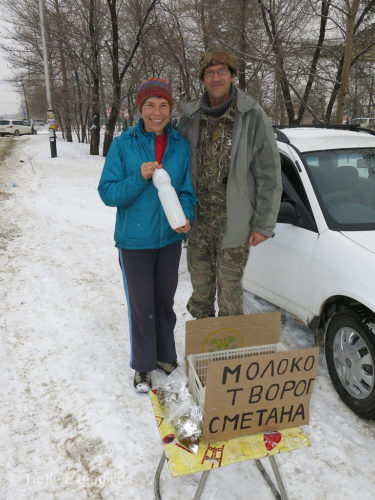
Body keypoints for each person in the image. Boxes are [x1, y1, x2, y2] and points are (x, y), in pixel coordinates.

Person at [98, 78, 196, 393]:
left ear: (171, 109)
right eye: (150, 105)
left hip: (168, 240)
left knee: (164, 302)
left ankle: (166, 356)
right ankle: (142, 366)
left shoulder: (180, 145)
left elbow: (186, 190)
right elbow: (108, 192)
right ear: (140, 109)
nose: (157, 112)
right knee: (142, 306)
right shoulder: (123, 144)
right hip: (134, 242)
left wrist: (184, 215)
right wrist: (138, 177)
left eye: (163, 105)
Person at [178, 46, 282, 319]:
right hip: (198, 226)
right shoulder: (190, 118)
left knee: (230, 298)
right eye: (209, 73)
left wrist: (262, 224)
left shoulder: (251, 115)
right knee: (200, 296)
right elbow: (176, 167)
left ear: (233, 75)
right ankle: (202, 356)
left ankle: (227, 357)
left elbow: (269, 174)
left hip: (234, 227)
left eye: (221, 71)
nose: (215, 78)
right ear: (203, 79)